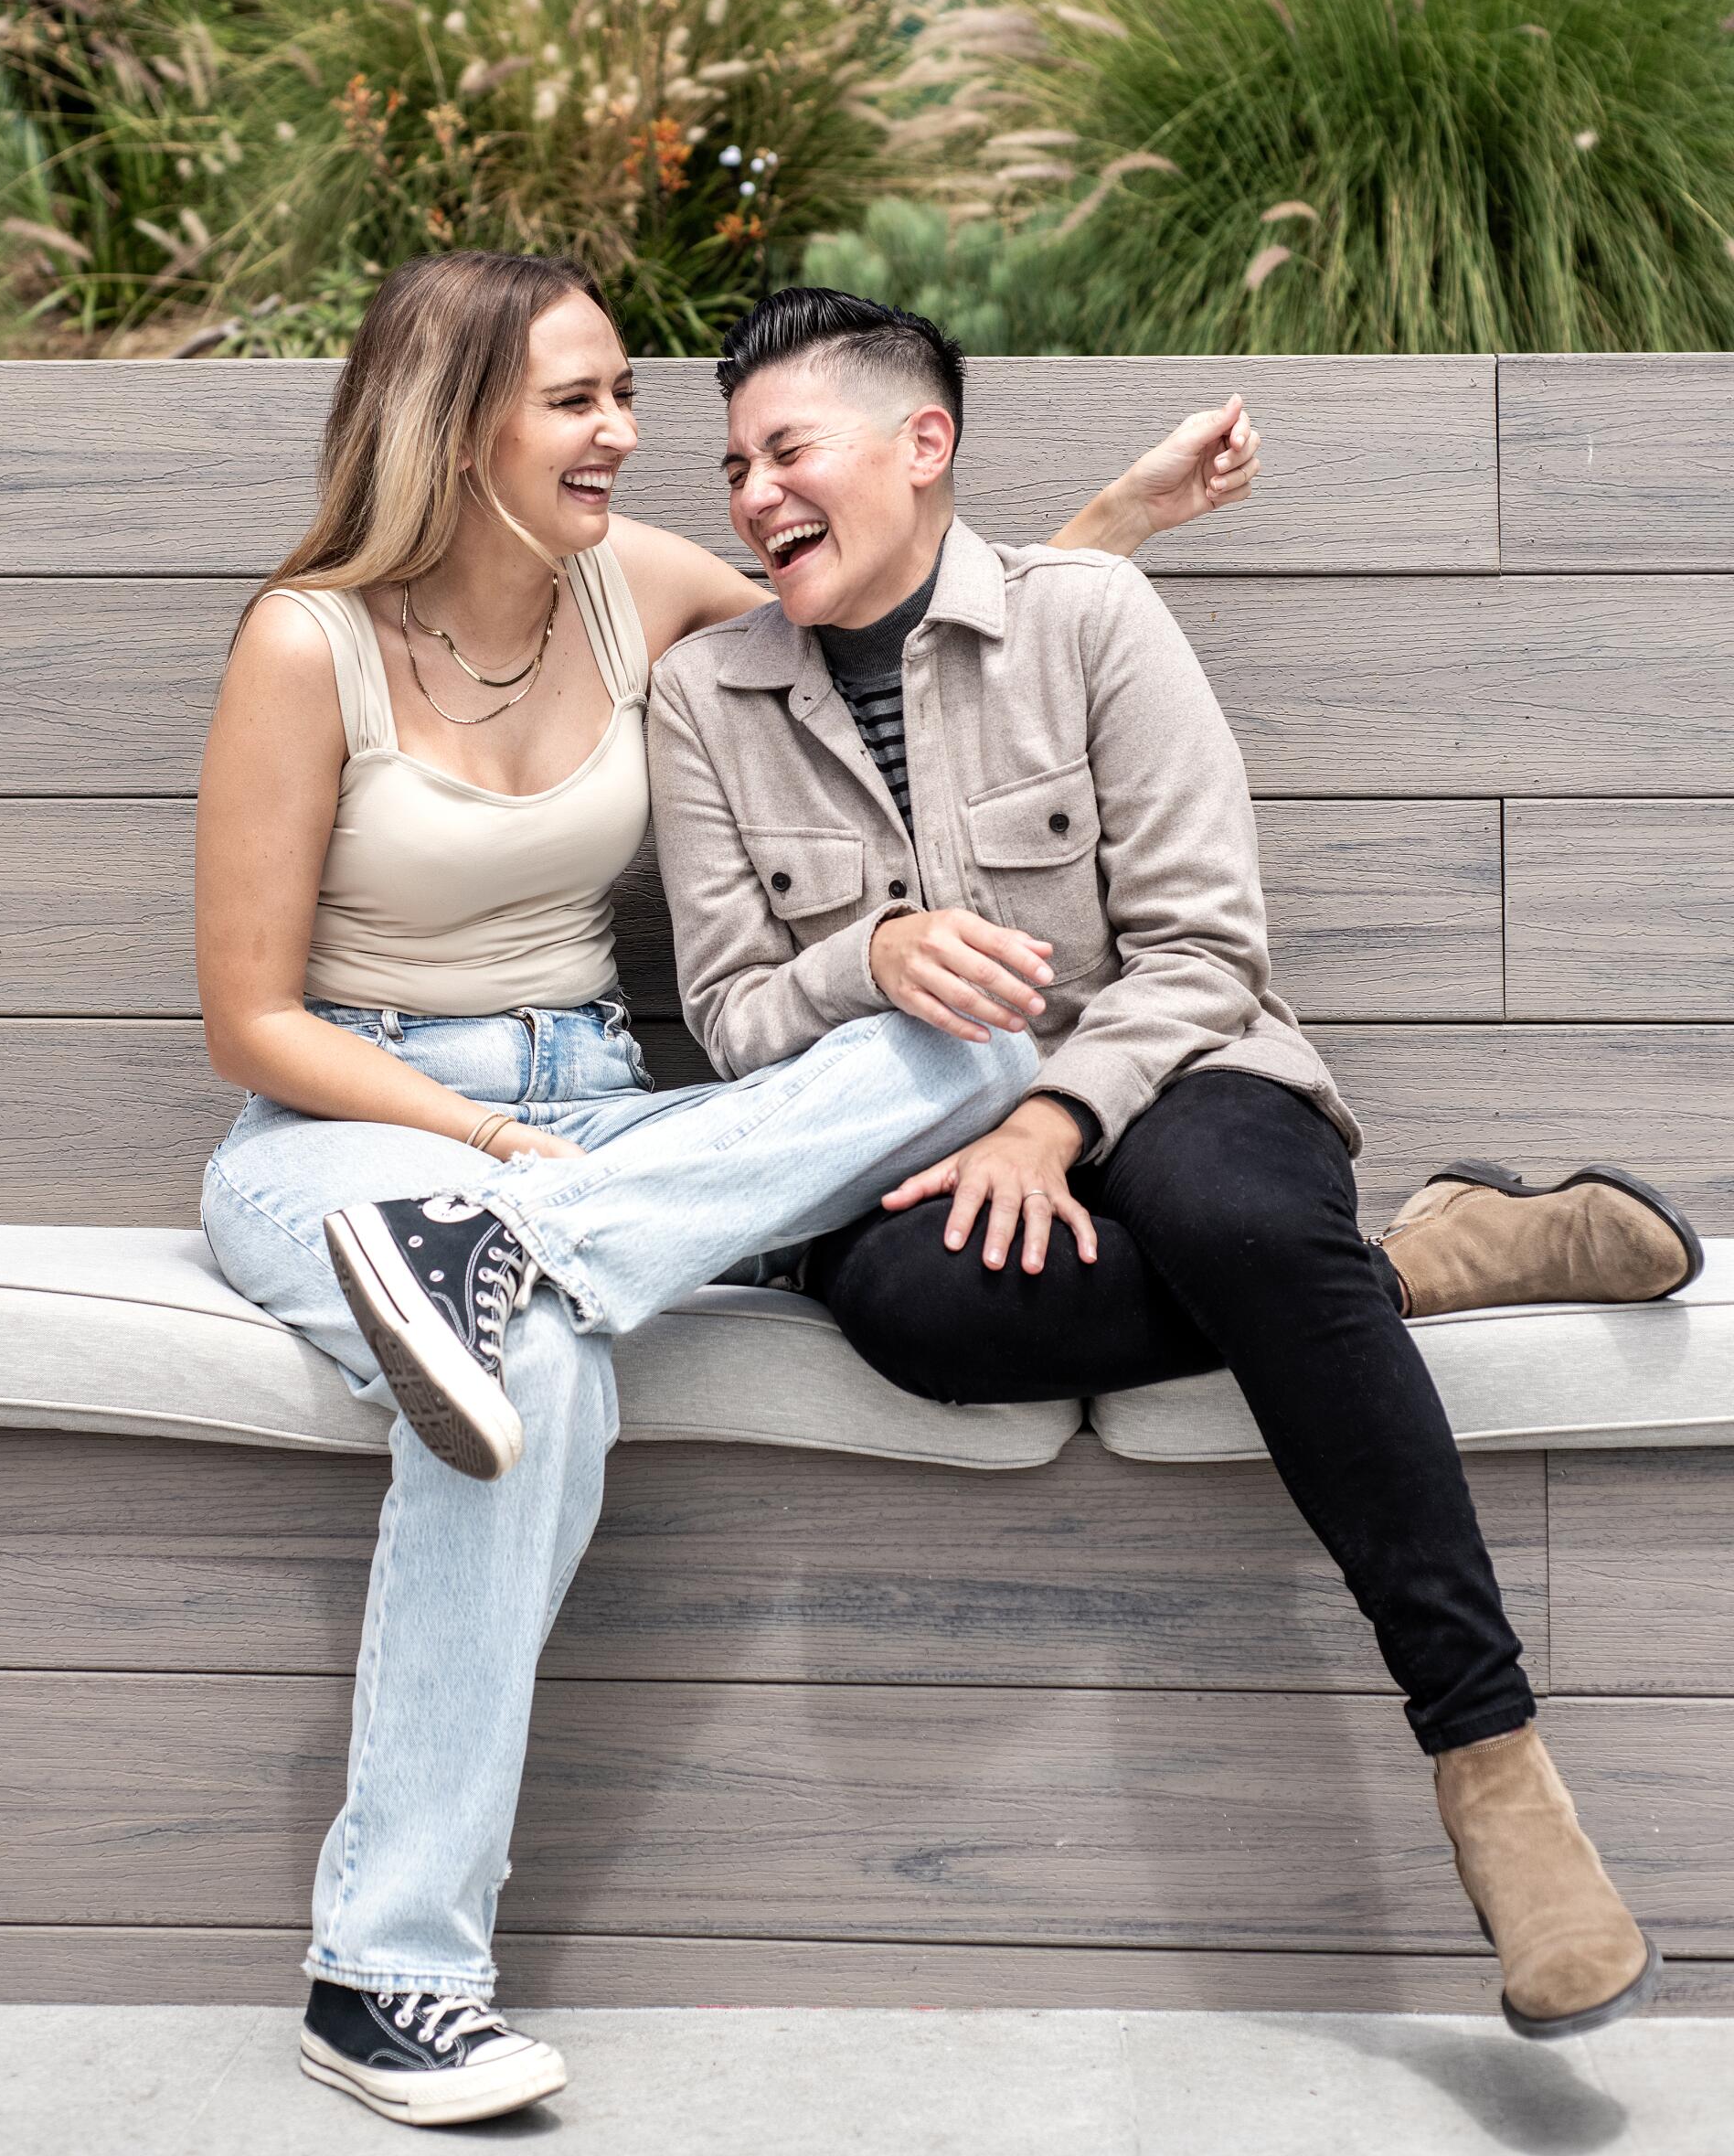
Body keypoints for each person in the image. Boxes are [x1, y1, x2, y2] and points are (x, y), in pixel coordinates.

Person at [194, 247, 1258, 2128]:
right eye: (579, 401)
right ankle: (387, 1979)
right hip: (353, 1136)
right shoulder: (310, 641)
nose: (625, 438)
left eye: (624, 398)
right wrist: (483, 1153)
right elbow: (251, 1021)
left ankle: (532, 1256)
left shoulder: (639, 594)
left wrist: (1118, 524)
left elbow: (916, 606)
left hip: (594, 1135)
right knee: (520, 1381)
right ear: (455, 426)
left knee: (980, 1028)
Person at [642, 286, 1702, 2049]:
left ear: (924, 447)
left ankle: (1493, 1765)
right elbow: (733, 1015)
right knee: (919, 1316)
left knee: (1230, 1207)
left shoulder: (1091, 617)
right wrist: (868, 967)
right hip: (905, 1154)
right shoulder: (704, 698)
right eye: (734, 465)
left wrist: (1058, 1116)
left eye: (785, 451)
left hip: (1176, 1082)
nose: (751, 496)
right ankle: (1420, 1261)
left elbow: (1208, 952)